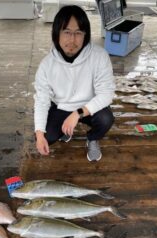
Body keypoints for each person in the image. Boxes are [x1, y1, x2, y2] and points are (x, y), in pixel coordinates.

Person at [34, 5, 114, 162]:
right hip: (61, 106)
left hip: (88, 108)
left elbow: (106, 94)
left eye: (78, 33)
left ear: (86, 35)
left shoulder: (99, 56)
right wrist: (39, 134)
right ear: (57, 33)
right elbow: (42, 100)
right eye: (67, 32)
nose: (72, 39)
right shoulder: (46, 65)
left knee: (106, 119)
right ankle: (66, 131)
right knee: (46, 136)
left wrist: (77, 113)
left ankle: (92, 138)